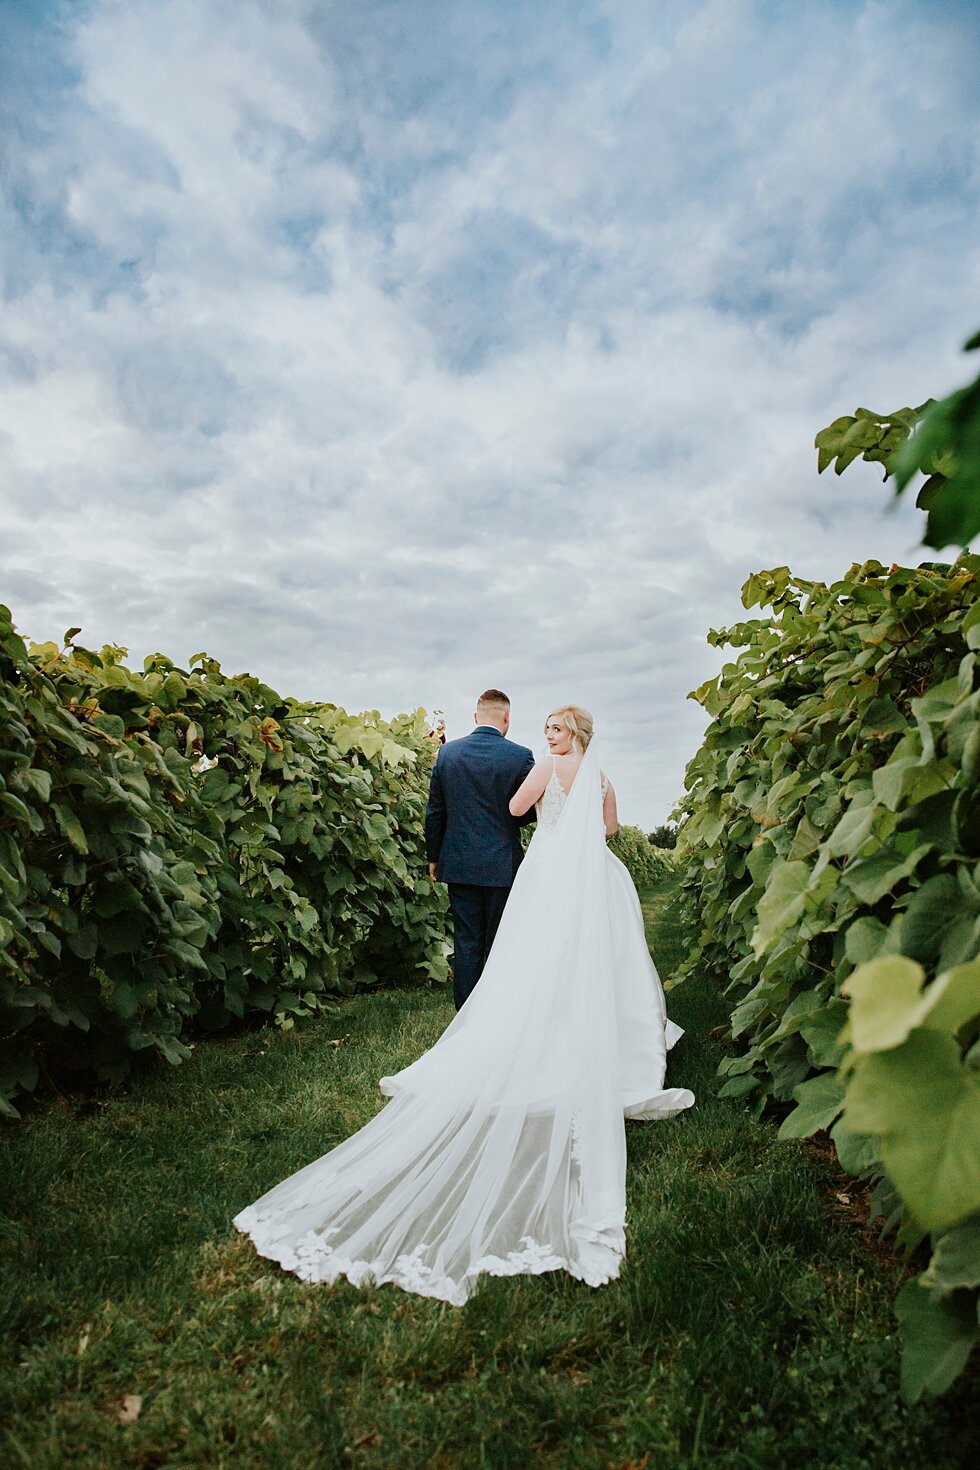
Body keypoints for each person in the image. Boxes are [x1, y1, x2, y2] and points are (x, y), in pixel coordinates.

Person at [233, 703, 694, 1305]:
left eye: (554, 729)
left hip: (549, 869)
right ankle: (605, 1037)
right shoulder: (601, 775)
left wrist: (543, 801)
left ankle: (511, 1018)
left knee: (524, 955)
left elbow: (516, 809)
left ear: (570, 734)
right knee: (598, 955)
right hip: (594, 873)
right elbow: (607, 831)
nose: (547, 735)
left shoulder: (546, 767)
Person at [424, 689, 536, 1009]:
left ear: (476, 717)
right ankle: (498, 1009)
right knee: (500, 941)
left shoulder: (449, 754)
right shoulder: (520, 755)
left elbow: (435, 810)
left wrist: (434, 856)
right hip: (503, 863)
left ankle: (466, 1015)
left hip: (458, 861)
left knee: (466, 940)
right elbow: (525, 811)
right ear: (507, 719)